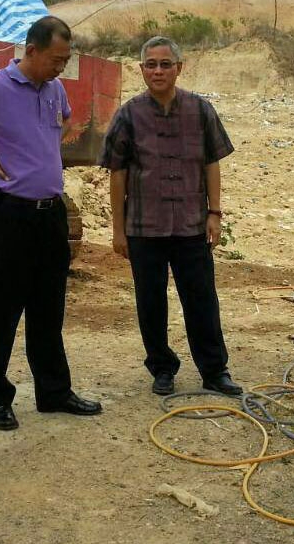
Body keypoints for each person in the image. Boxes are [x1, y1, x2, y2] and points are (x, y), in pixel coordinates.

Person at [0, 15, 101, 431]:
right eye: (56, 59)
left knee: (49, 309)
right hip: (8, 215)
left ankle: (54, 392)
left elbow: (59, 126)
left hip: (50, 216)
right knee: (0, 311)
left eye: (66, 60)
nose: (61, 67)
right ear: (31, 50)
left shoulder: (55, 89)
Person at [99, 35, 242, 396]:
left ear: (179, 68)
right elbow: (118, 174)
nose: (158, 71)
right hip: (144, 227)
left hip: (192, 224)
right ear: (141, 69)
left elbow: (211, 162)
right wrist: (118, 230)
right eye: (151, 64)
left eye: (165, 64)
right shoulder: (128, 115)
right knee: (150, 302)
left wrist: (215, 213)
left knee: (202, 300)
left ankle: (214, 370)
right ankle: (162, 367)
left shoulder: (201, 111)